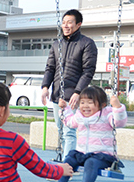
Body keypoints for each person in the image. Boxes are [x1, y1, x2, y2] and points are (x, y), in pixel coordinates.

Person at [52, 86, 127, 182]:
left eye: (90, 103)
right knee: (68, 159)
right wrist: (64, 109)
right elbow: (69, 122)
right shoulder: (79, 116)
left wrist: (117, 107)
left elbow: (119, 122)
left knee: (91, 163)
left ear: (102, 105)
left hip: (102, 155)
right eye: (82, 102)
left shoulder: (106, 115)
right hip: (82, 153)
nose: (85, 106)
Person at [41, 9, 98, 160]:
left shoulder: (87, 44)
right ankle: (71, 160)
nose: (66, 26)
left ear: (78, 24)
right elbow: (50, 68)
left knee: (69, 132)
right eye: (64, 22)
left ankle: (68, 166)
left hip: (73, 95)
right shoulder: (56, 44)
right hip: (56, 95)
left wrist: (78, 92)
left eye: (70, 22)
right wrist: (45, 87)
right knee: (61, 130)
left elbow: (88, 71)